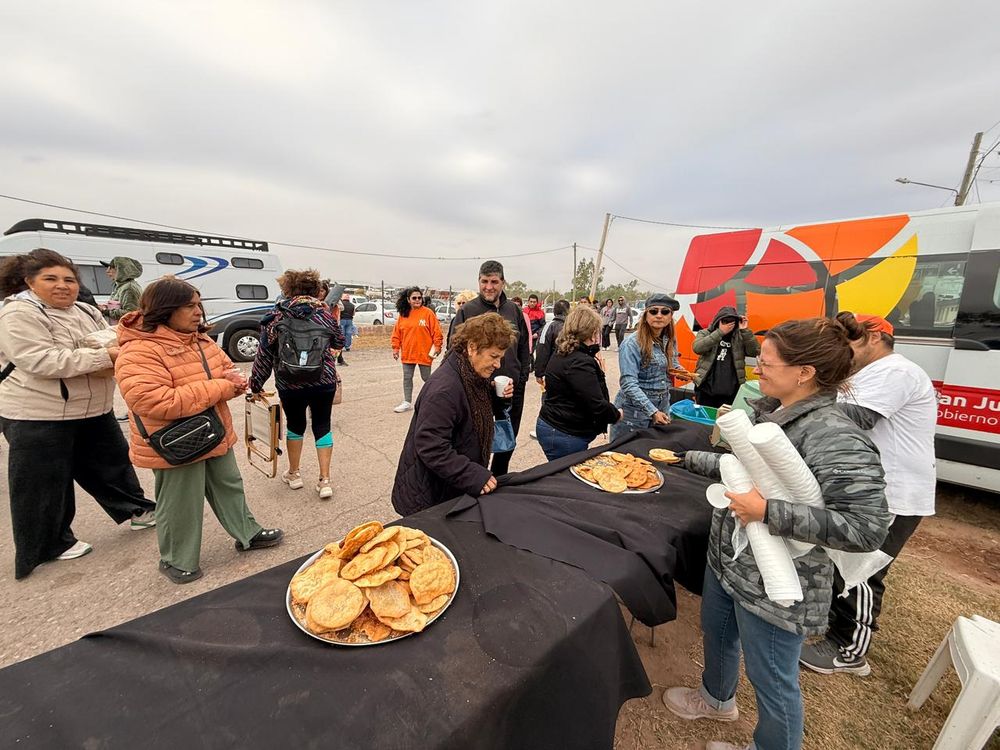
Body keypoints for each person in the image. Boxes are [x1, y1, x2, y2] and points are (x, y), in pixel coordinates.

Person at [663, 317, 890, 750]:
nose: (757, 369)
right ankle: (716, 699)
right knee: (717, 632)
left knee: (772, 681)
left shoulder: (835, 436)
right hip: (732, 561)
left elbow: (866, 528)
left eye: (766, 362)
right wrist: (686, 459)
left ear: (804, 373)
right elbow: (746, 469)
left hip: (778, 584)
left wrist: (769, 511)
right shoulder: (774, 413)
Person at [0, 249, 156, 579]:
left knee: (112, 462)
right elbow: (41, 360)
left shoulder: (85, 310)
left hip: (92, 406)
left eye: (69, 279)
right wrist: (104, 357)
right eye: (51, 279)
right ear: (29, 282)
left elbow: (117, 340)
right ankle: (49, 544)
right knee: (43, 482)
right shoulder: (18, 314)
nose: (62, 286)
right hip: (38, 412)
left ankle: (136, 510)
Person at [116, 277, 283, 584]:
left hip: (213, 431)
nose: (198, 311)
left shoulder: (200, 339)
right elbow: (154, 401)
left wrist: (233, 382)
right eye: (189, 305)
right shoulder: (140, 350)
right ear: (164, 309)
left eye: (198, 304)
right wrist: (222, 386)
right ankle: (176, 560)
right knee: (181, 503)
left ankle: (248, 533)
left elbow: (224, 370)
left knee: (229, 485)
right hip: (174, 442)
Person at [799, 313, 936, 677]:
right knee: (841, 561)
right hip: (864, 486)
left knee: (863, 568)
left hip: (893, 493)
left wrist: (794, 406)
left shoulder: (897, 372)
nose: (843, 352)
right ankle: (830, 628)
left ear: (873, 337)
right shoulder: (867, 373)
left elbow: (853, 417)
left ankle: (850, 649)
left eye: (848, 343)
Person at [391, 313, 516, 516]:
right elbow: (431, 446)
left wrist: (497, 398)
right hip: (430, 496)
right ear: (472, 347)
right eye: (494, 357)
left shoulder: (469, 372)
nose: (498, 365)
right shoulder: (445, 389)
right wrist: (473, 475)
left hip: (448, 486)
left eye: (500, 358)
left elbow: (468, 413)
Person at [249, 269, 345, 500]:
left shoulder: (275, 316)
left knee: (295, 425)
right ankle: (324, 481)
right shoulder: (324, 315)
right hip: (323, 380)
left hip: (289, 382)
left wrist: (256, 383)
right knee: (323, 425)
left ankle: (294, 474)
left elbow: (263, 354)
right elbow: (340, 340)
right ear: (315, 290)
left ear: (287, 289)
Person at [447, 261, 531, 476]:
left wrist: (521, 379)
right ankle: (477, 480)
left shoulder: (514, 311)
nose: (489, 287)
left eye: (494, 282)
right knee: (476, 442)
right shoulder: (468, 311)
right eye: (484, 281)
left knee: (507, 442)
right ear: (479, 282)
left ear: (503, 282)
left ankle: (500, 478)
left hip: (510, 391)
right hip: (478, 390)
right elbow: (454, 351)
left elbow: (523, 348)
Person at [535, 305, 621, 460]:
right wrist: (616, 415)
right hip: (565, 432)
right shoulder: (579, 361)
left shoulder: (565, 352)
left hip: (557, 427)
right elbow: (596, 403)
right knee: (567, 481)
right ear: (590, 331)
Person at [610, 293, 692, 441]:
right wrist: (652, 412)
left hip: (662, 405)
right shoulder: (632, 343)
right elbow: (628, 383)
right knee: (626, 456)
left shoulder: (669, 339)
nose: (659, 315)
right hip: (634, 412)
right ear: (646, 315)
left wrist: (679, 371)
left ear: (670, 316)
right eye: (654, 311)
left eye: (665, 311)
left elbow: (671, 363)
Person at [692, 306, 760, 408]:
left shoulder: (740, 336)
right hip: (706, 389)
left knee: (723, 420)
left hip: (731, 391)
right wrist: (720, 332)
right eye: (724, 321)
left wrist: (745, 330)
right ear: (717, 321)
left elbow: (755, 351)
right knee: (703, 419)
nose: (728, 324)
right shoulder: (706, 333)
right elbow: (697, 348)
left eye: (732, 321)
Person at [391, 286, 443, 413]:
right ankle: (407, 402)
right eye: (414, 298)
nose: (417, 300)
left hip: (424, 353)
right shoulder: (403, 315)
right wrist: (395, 348)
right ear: (408, 300)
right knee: (407, 377)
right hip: (408, 353)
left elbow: (437, 331)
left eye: (419, 298)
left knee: (427, 378)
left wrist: (437, 346)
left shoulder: (428, 313)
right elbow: (397, 333)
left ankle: (434, 400)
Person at [534, 299, 569, 384]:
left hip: (553, 371)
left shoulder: (548, 327)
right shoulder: (573, 326)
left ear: (554, 311)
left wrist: (539, 373)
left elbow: (542, 349)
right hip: (571, 370)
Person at [99, 256, 143, 322]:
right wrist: (107, 306)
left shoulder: (129, 288)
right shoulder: (120, 286)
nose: (107, 271)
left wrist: (106, 311)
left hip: (128, 329)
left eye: (111, 268)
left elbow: (130, 313)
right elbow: (120, 306)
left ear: (121, 270)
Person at [338, 292, 356, 366]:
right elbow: (353, 313)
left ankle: (341, 346)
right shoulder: (352, 305)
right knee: (349, 333)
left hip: (342, 320)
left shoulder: (341, 304)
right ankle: (347, 346)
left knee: (342, 333)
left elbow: (339, 312)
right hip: (349, 320)